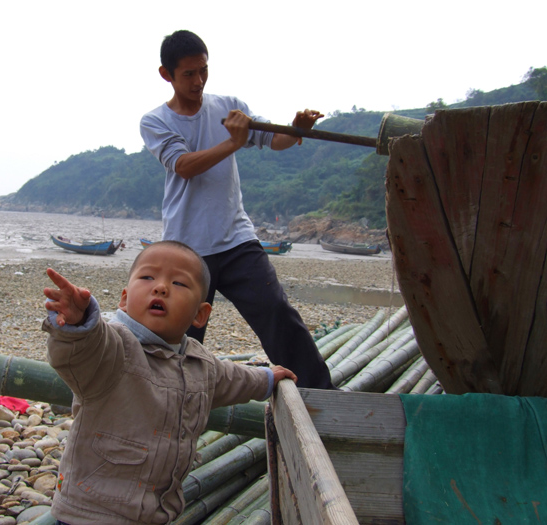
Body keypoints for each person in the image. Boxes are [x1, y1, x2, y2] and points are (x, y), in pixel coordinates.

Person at [42, 240, 297, 524]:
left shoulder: (200, 363)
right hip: (91, 512)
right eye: (148, 277)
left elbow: (233, 379)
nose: (161, 287)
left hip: (157, 513)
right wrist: (79, 324)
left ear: (200, 314)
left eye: (179, 283)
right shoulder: (114, 347)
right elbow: (81, 350)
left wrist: (266, 378)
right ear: (125, 299)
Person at [139, 30, 334, 390]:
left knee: (278, 313)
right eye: (188, 74)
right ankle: (169, 400)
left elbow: (273, 140)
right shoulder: (155, 122)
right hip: (187, 249)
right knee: (183, 333)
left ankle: (321, 395)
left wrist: (296, 129)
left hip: (237, 240)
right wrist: (232, 142)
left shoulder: (227, 106)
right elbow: (183, 165)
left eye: (203, 70)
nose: (198, 81)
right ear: (166, 75)